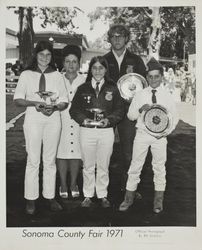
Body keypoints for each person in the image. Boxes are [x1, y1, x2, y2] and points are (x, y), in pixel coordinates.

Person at [13, 40, 68, 215]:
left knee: (50, 160)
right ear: (36, 55)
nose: (45, 57)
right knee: (33, 159)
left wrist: (56, 107)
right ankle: (31, 198)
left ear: (52, 57)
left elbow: (64, 101)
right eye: (41, 54)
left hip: (53, 119)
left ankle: (50, 196)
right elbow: (17, 100)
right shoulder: (26, 75)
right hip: (33, 118)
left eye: (48, 54)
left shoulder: (57, 76)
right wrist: (34, 103)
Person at [119, 57, 179, 213]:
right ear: (146, 77)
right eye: (150, 76)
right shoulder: (140, 95)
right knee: (135, 166)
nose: (153, 80)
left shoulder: (167, 95)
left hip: (160, 138)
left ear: (162, 77)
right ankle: (128, 198)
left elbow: (174, 118)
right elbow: (131, 116)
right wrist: (140, 109)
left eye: (156, 76)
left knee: (159, 167)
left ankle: (158, 201)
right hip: (142, 134)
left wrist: (166, 132)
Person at [69, 56, 124, 208]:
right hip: (87, 131)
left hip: (106, 131)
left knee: (103, 164)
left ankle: (102, 194)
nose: (98, 71)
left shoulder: (112, 88)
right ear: (90, 69)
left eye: (101, 68)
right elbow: (74, 110)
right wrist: (83, 119)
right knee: (88, 165)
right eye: (94, 68)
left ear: (106, 70)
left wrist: (110, 120)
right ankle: (87, 195)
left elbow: (120, 110)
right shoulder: (83, 88)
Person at [104, 24, 146, 190]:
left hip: (129, 112)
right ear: (109, 39)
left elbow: (144, 85)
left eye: (120, 35)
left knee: (129, 152)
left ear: (127, 38)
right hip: (108, 111)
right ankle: (102, 188)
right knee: (103, 150)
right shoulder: (104, 60)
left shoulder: (136, 60)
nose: (117, 39)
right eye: (113, 36)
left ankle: (129, 187)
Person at [56, 45, 85, 199]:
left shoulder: (85, 79)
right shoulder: (57, 78)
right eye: (68, 61)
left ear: (79, 63)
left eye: (74, 61)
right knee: (61, 152)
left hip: (79, 121)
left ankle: (73, 183)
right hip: (60, 119)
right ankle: (63, 183)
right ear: (63, 62)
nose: (71, 65)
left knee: (76, 152)